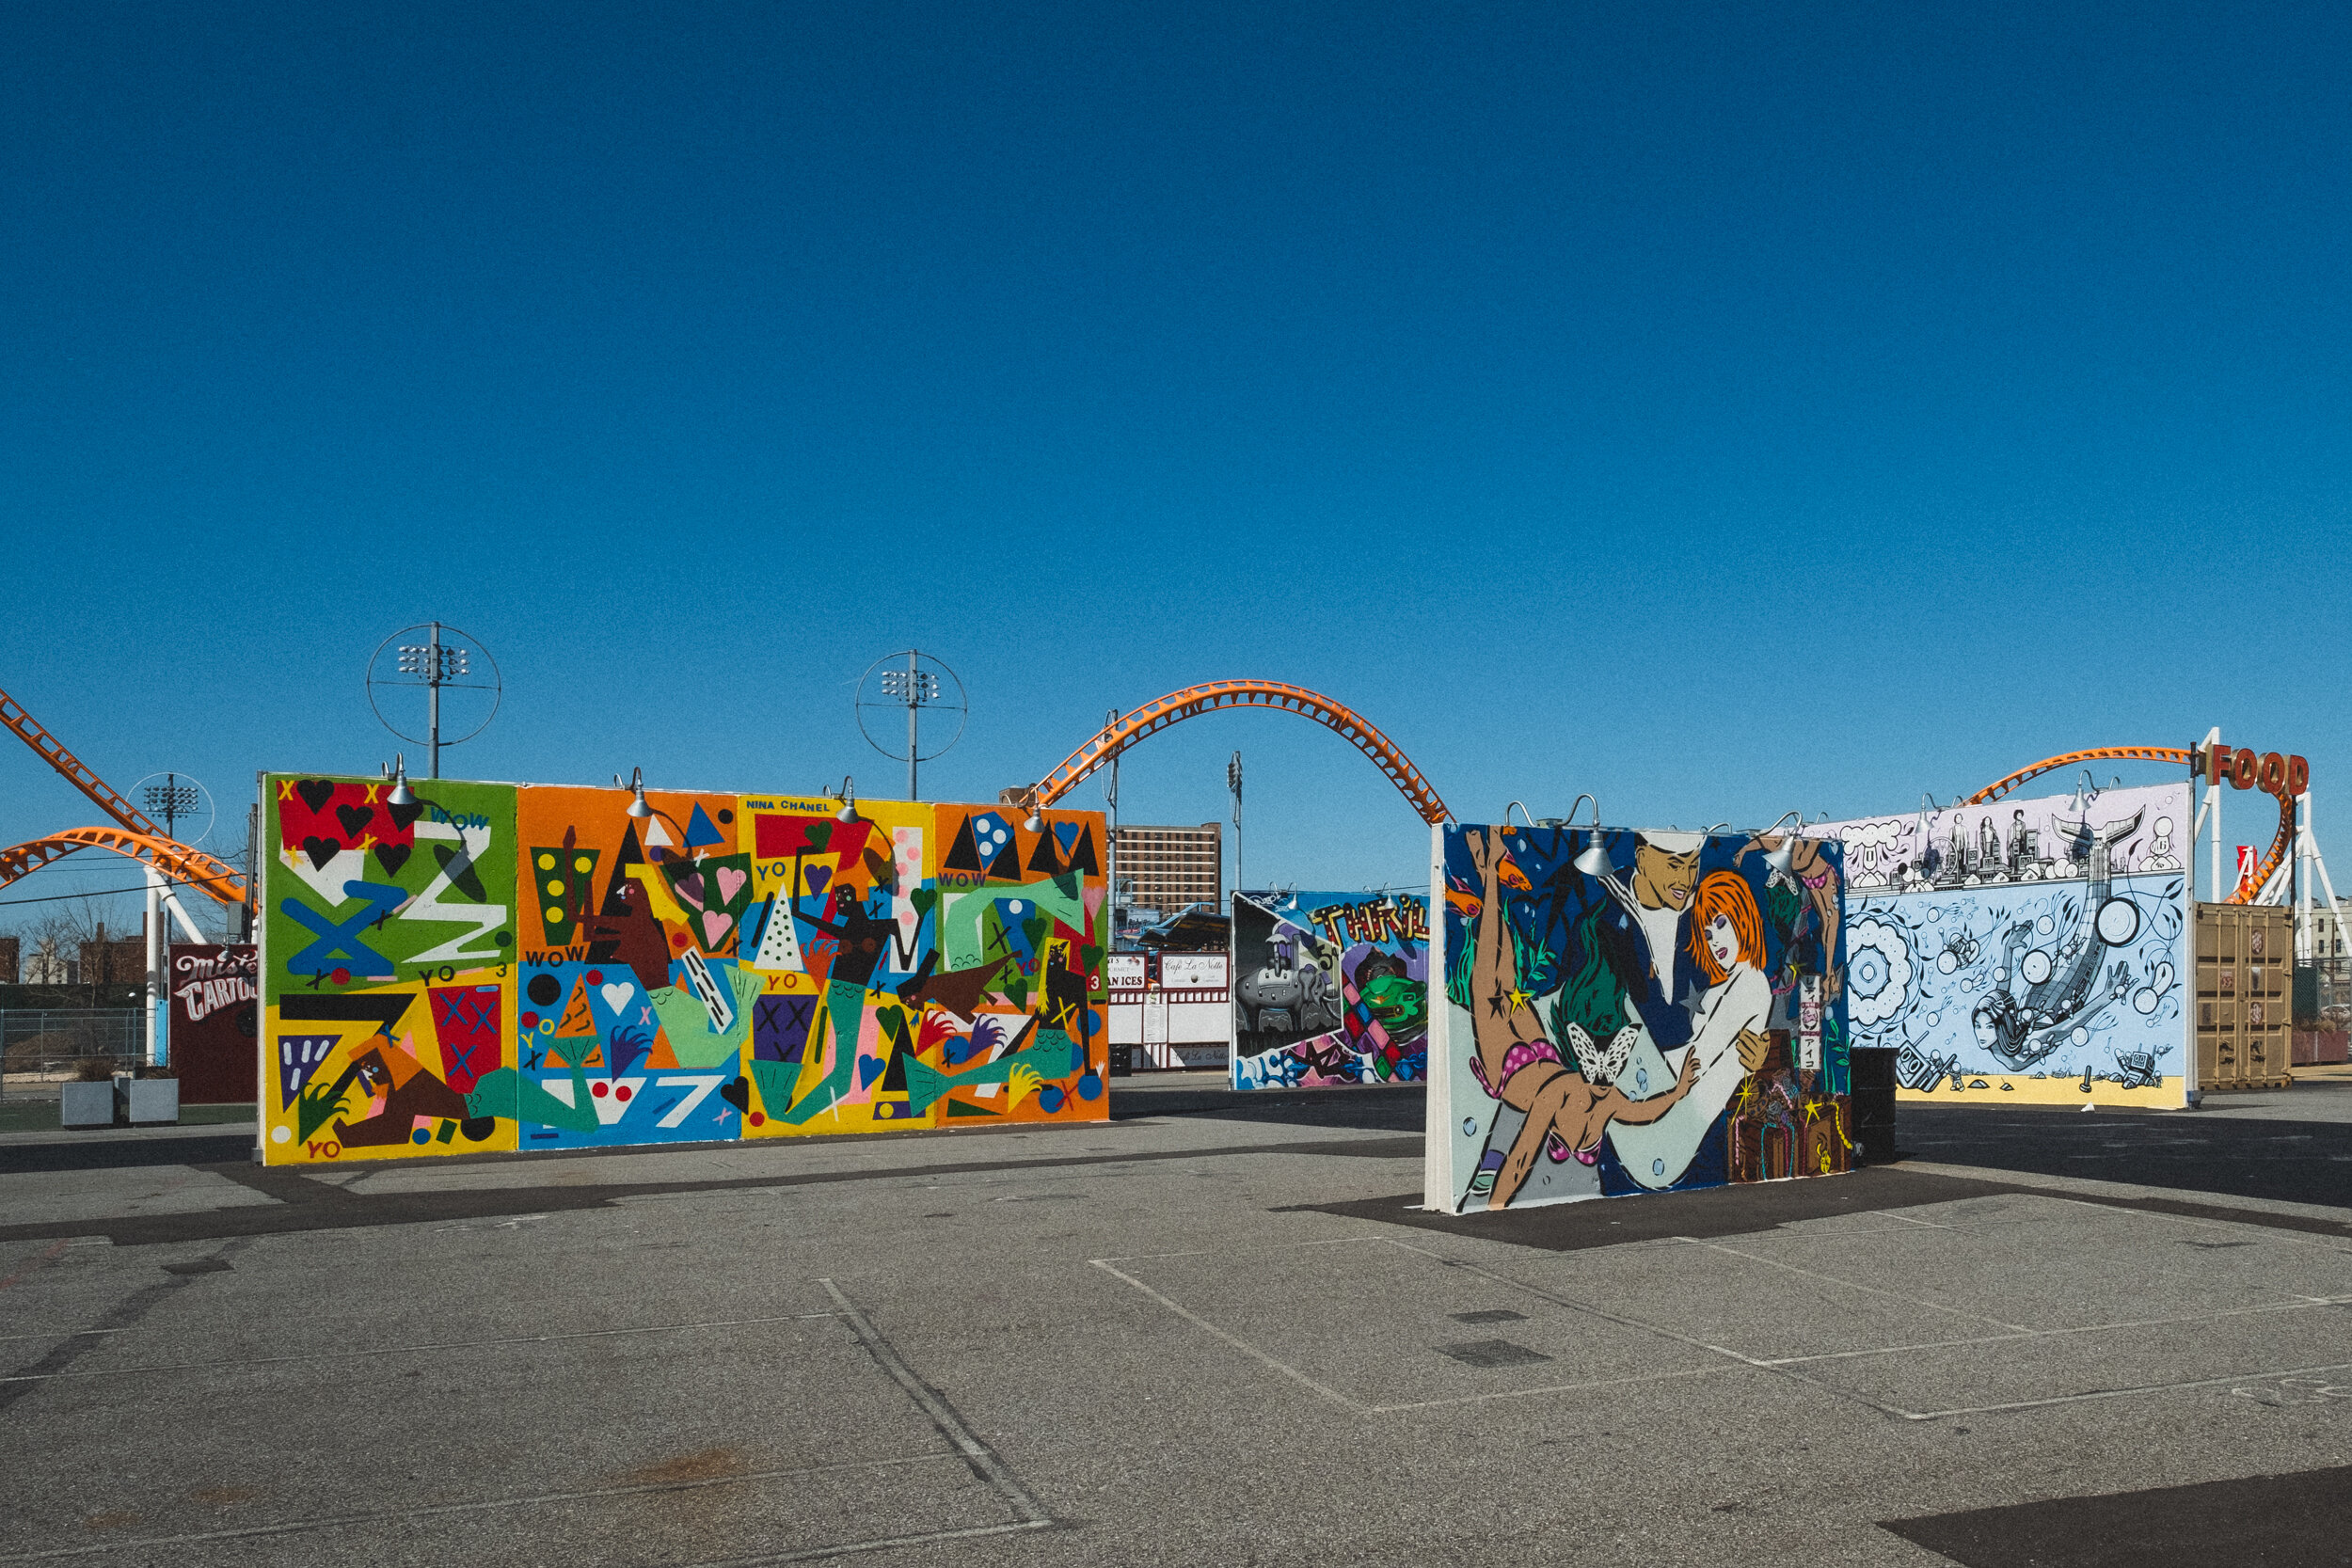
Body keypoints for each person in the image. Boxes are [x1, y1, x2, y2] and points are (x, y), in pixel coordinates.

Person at [1600, 870, 1775, 1189]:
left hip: (1684, 1122)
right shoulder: (1718, 988)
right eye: (1707, 934)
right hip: (1677, 1110)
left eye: (1720, 924)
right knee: (1635, 1002)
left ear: (1743, 916)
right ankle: (1637, 925)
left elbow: (1699, 1058)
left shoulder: (1753, 982)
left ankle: (1635, 924)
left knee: (1634, 1001)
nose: (1715, 940)